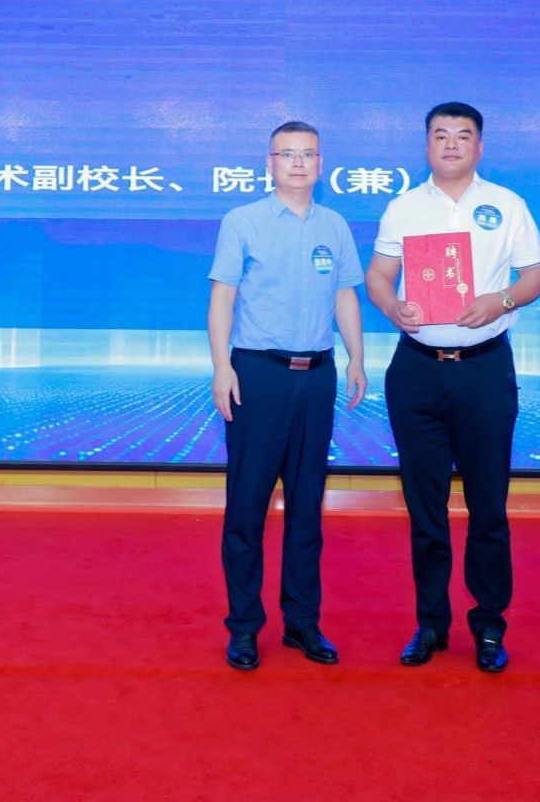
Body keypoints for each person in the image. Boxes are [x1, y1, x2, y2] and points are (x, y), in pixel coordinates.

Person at [365, 102, 540, 673]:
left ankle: (489, 625)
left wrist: (502, 299)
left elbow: (537, 276)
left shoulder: (507, 204)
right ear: (426, 145)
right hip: (417, 371)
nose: (450, 144)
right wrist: (391, 306)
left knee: (488, 504)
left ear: (479, 146)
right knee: (425, 507)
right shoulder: (404, 207)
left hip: (484, 370)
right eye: (440, 135)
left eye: (462, 136)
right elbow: (378, 275)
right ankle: (430, 623)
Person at [208, 121, 367, 671]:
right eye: (287, 154)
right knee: (247, 506)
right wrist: (222, 367)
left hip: (316, 376)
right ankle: (244, 627)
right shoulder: (243, 221)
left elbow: (345, 295)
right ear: (269, 163)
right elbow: (222, 299)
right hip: (258, 375)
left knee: (306, 506)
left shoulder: (334, 225)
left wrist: (357, 358)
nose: (298, 163)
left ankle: (303, 623)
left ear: (321, 165)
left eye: (308, 155)